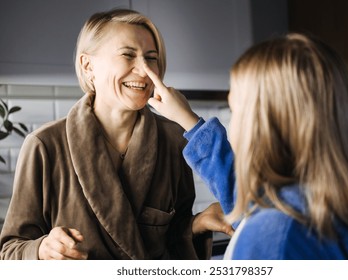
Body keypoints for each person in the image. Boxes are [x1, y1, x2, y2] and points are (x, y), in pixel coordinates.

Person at [0, 9, 232, 260]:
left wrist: (195, 224)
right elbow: (10, 249)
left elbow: (170, 238)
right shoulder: (44, 146)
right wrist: (41, 249)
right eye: (128, 55)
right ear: (88, 66)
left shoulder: (174, 139)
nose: (144, 71)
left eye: (151, 58)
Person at [144, 33, 348, 259]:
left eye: (236, 109)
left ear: (263, 124)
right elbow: (257, 203)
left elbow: (267, 222)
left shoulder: (274, 234)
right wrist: (189, 121)